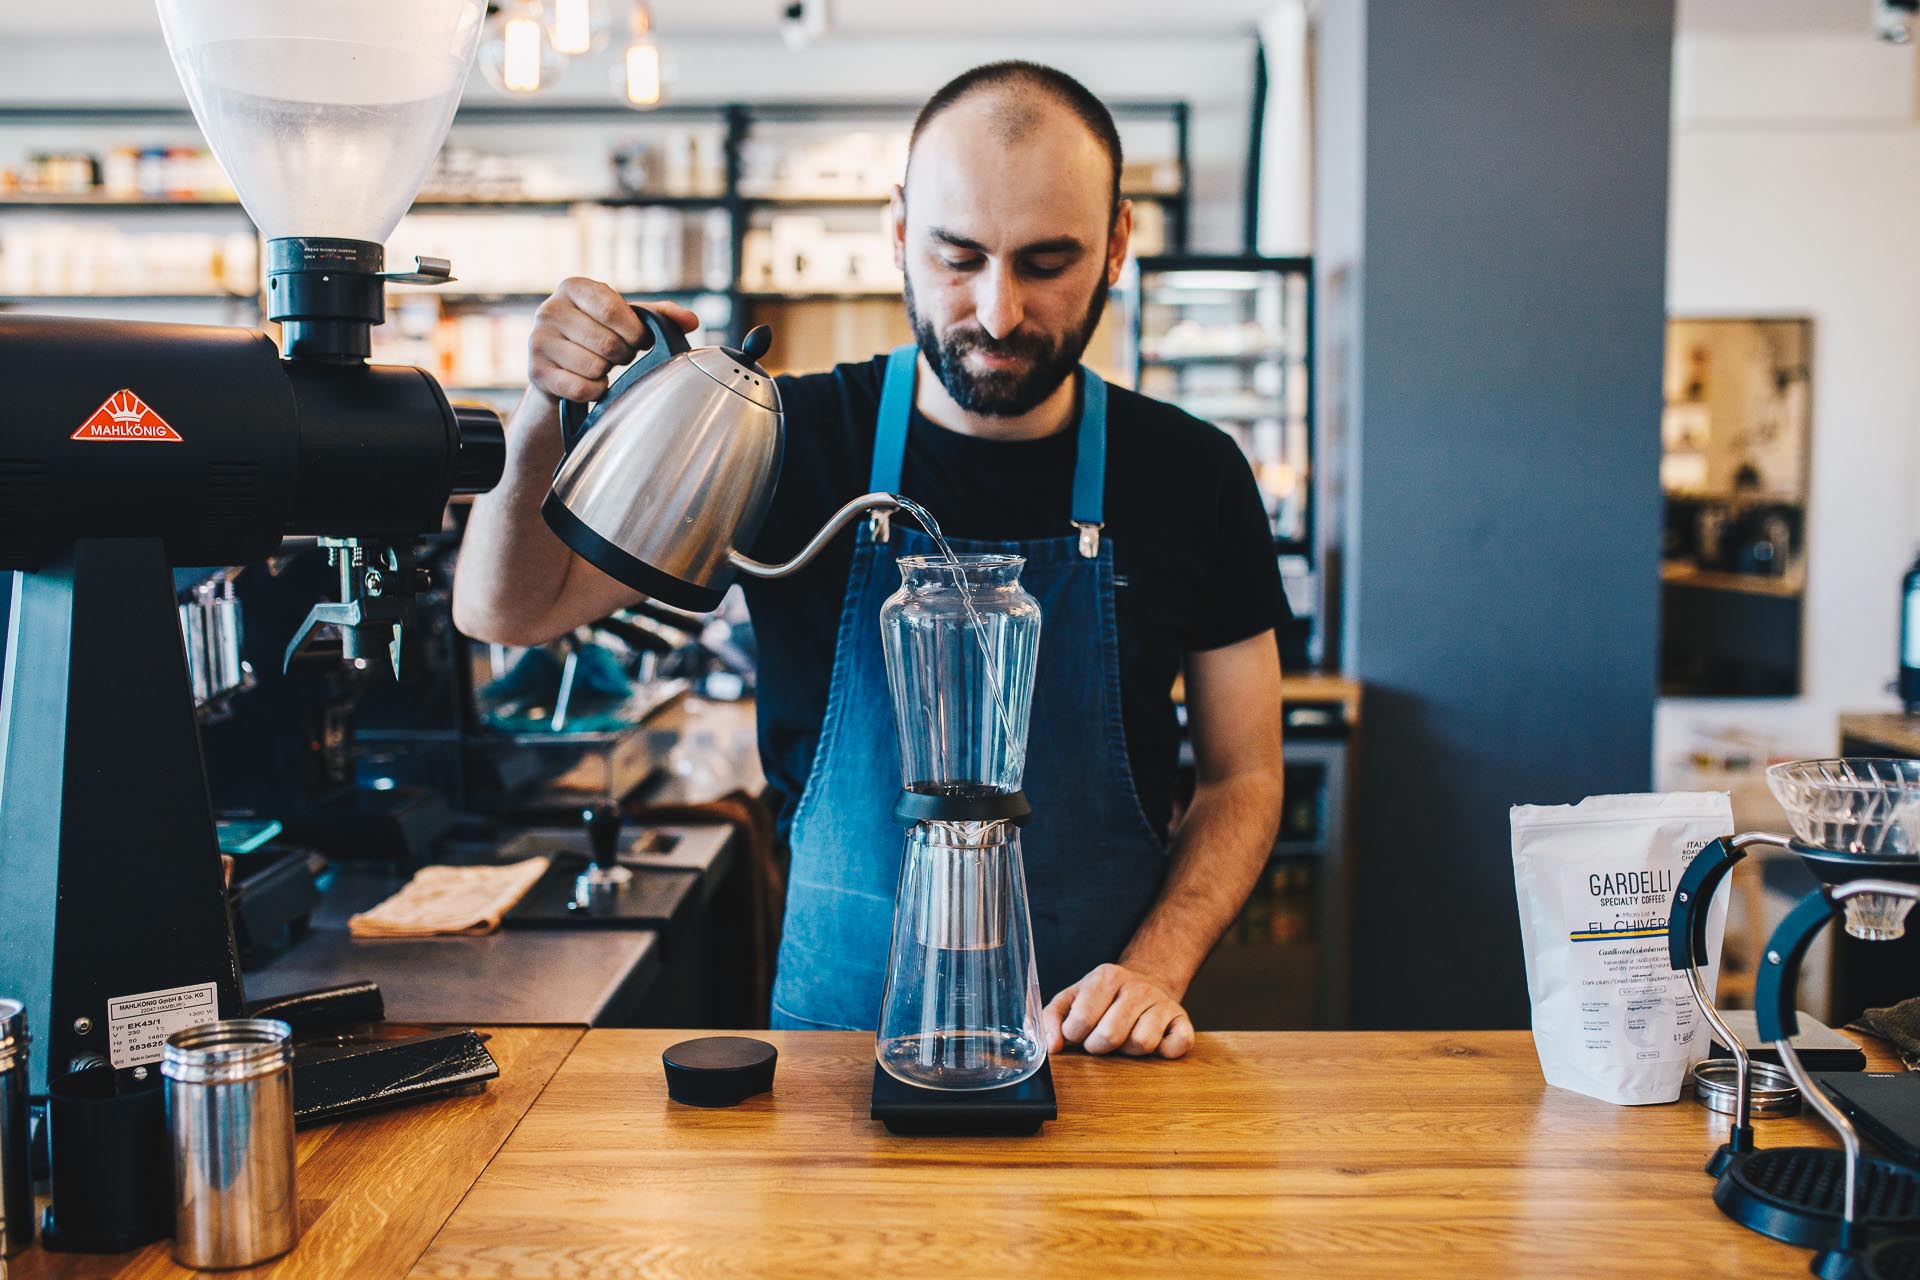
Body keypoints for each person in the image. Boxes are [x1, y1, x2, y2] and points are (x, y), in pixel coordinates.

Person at [456, 60, 1288, 1059]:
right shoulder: (784, 440)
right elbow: (511, 607)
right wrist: (545, 408)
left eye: (1046, 261)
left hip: (1099, 1049)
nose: (997, 311)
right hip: (830, 1064)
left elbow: (1244, 777)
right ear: (898, 229)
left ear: (1116, 245)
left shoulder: (1190, 471)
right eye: (958, 255)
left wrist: (1156, 967)